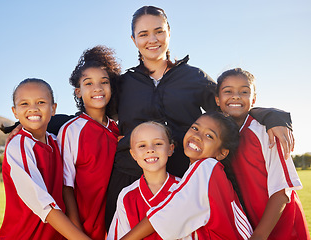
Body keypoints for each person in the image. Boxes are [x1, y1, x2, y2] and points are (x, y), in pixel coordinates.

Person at [104, 5, 294, 230]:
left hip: (185, 180)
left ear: (169, 32)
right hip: (131, 176)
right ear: (133, 39)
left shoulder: (193, 76)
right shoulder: (124, 84)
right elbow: (95, 116)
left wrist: (274, 115)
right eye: (143, 34)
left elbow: (230, 104)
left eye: (159, 31)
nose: (152, 39)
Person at [120, 112, 253, 240]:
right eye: (195, 128)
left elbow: (165, 217)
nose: (197, 136)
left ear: (222, 153)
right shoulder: (207, 173)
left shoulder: (207, 167)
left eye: (209, 136)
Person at [215, 68, 310, 240]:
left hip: (284, 227)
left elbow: (282, 191)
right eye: (228, 91)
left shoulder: (268, 132)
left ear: (254, 99)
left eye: (244, 91)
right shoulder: (220, 137)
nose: (236, 96)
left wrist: (259, 235)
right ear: (217, 99)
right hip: (251, 225)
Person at [0, 79, 91, 240]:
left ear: (53, 108)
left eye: (40, 102)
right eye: (24, 104)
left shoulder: (57, 142)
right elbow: (44, 205)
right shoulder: (18, 146)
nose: (33, 108)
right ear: (15, 111)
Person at [56, 46, 120, 239]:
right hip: (83, 228)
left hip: (114, 224)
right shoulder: (71, 130)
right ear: (78, 91)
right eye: (88, 83)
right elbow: (66, 185)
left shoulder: (118, 129)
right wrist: (76, 229)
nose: (97, 88)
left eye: (104, 82)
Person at [107, 121, 180, 239]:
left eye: (158, 143)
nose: (150, 149)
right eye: (142, 146)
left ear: (170, 149)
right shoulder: (126, 196)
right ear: (133, 154)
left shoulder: (185, 188)